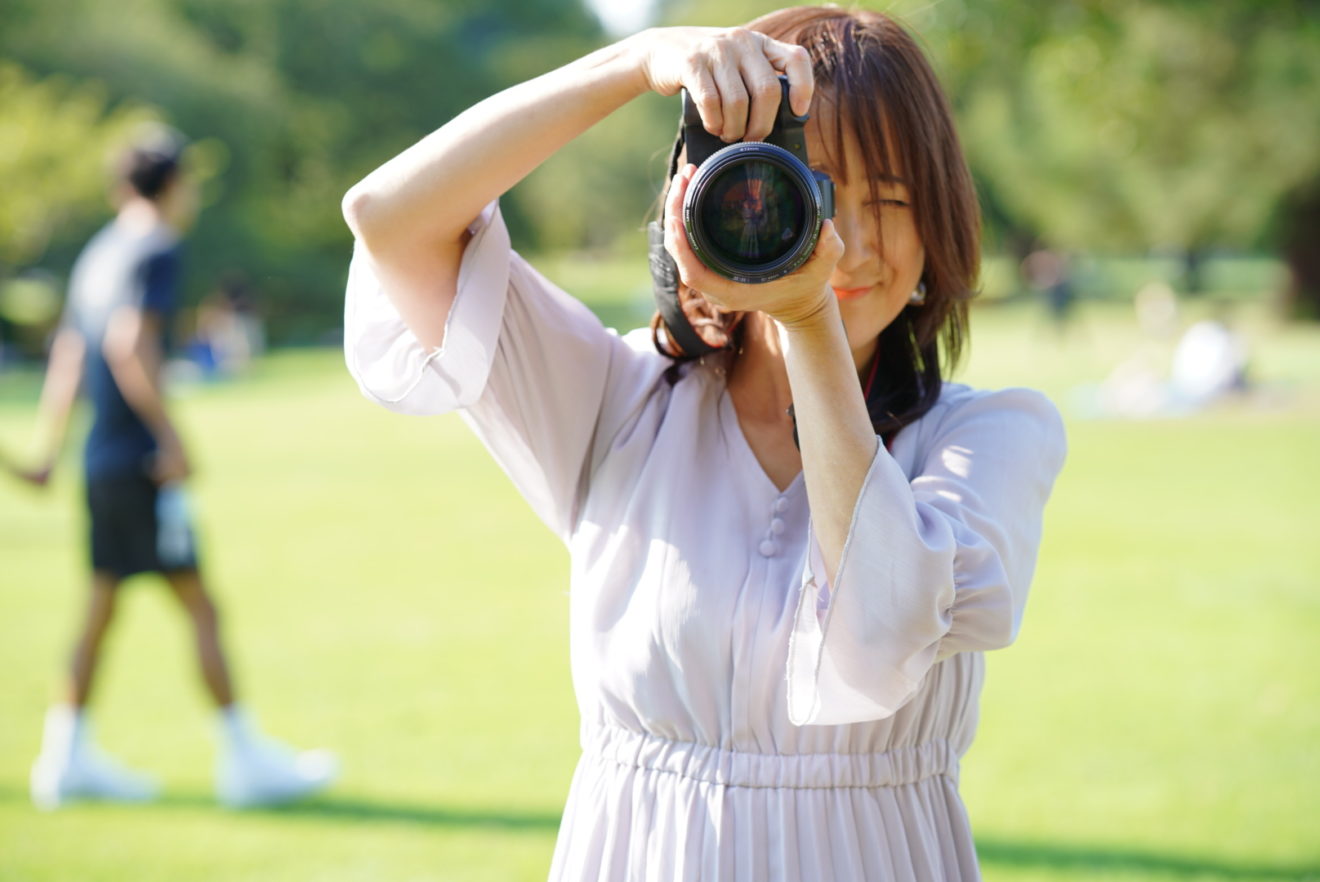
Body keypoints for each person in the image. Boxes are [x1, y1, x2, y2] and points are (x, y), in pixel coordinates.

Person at [342, 8, 1065, 881]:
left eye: (896, 200)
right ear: (721, 196)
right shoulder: (618, 398)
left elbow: (882, 627)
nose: (857, 245)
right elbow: (389, 217)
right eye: (819, 192)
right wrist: (639, 60)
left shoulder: (988, 437)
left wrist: (805, 319)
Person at [13, 126, 336, 810]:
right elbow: (132, 345)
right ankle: (245, 761)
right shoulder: (156, 246)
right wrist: (172, 437)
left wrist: (48, 453)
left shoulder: (96, 255)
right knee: (199, 605)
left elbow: (71, 358)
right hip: (142, 465)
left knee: (101, 607)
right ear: (175, 183)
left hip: (101, 463)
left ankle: (62, 759)